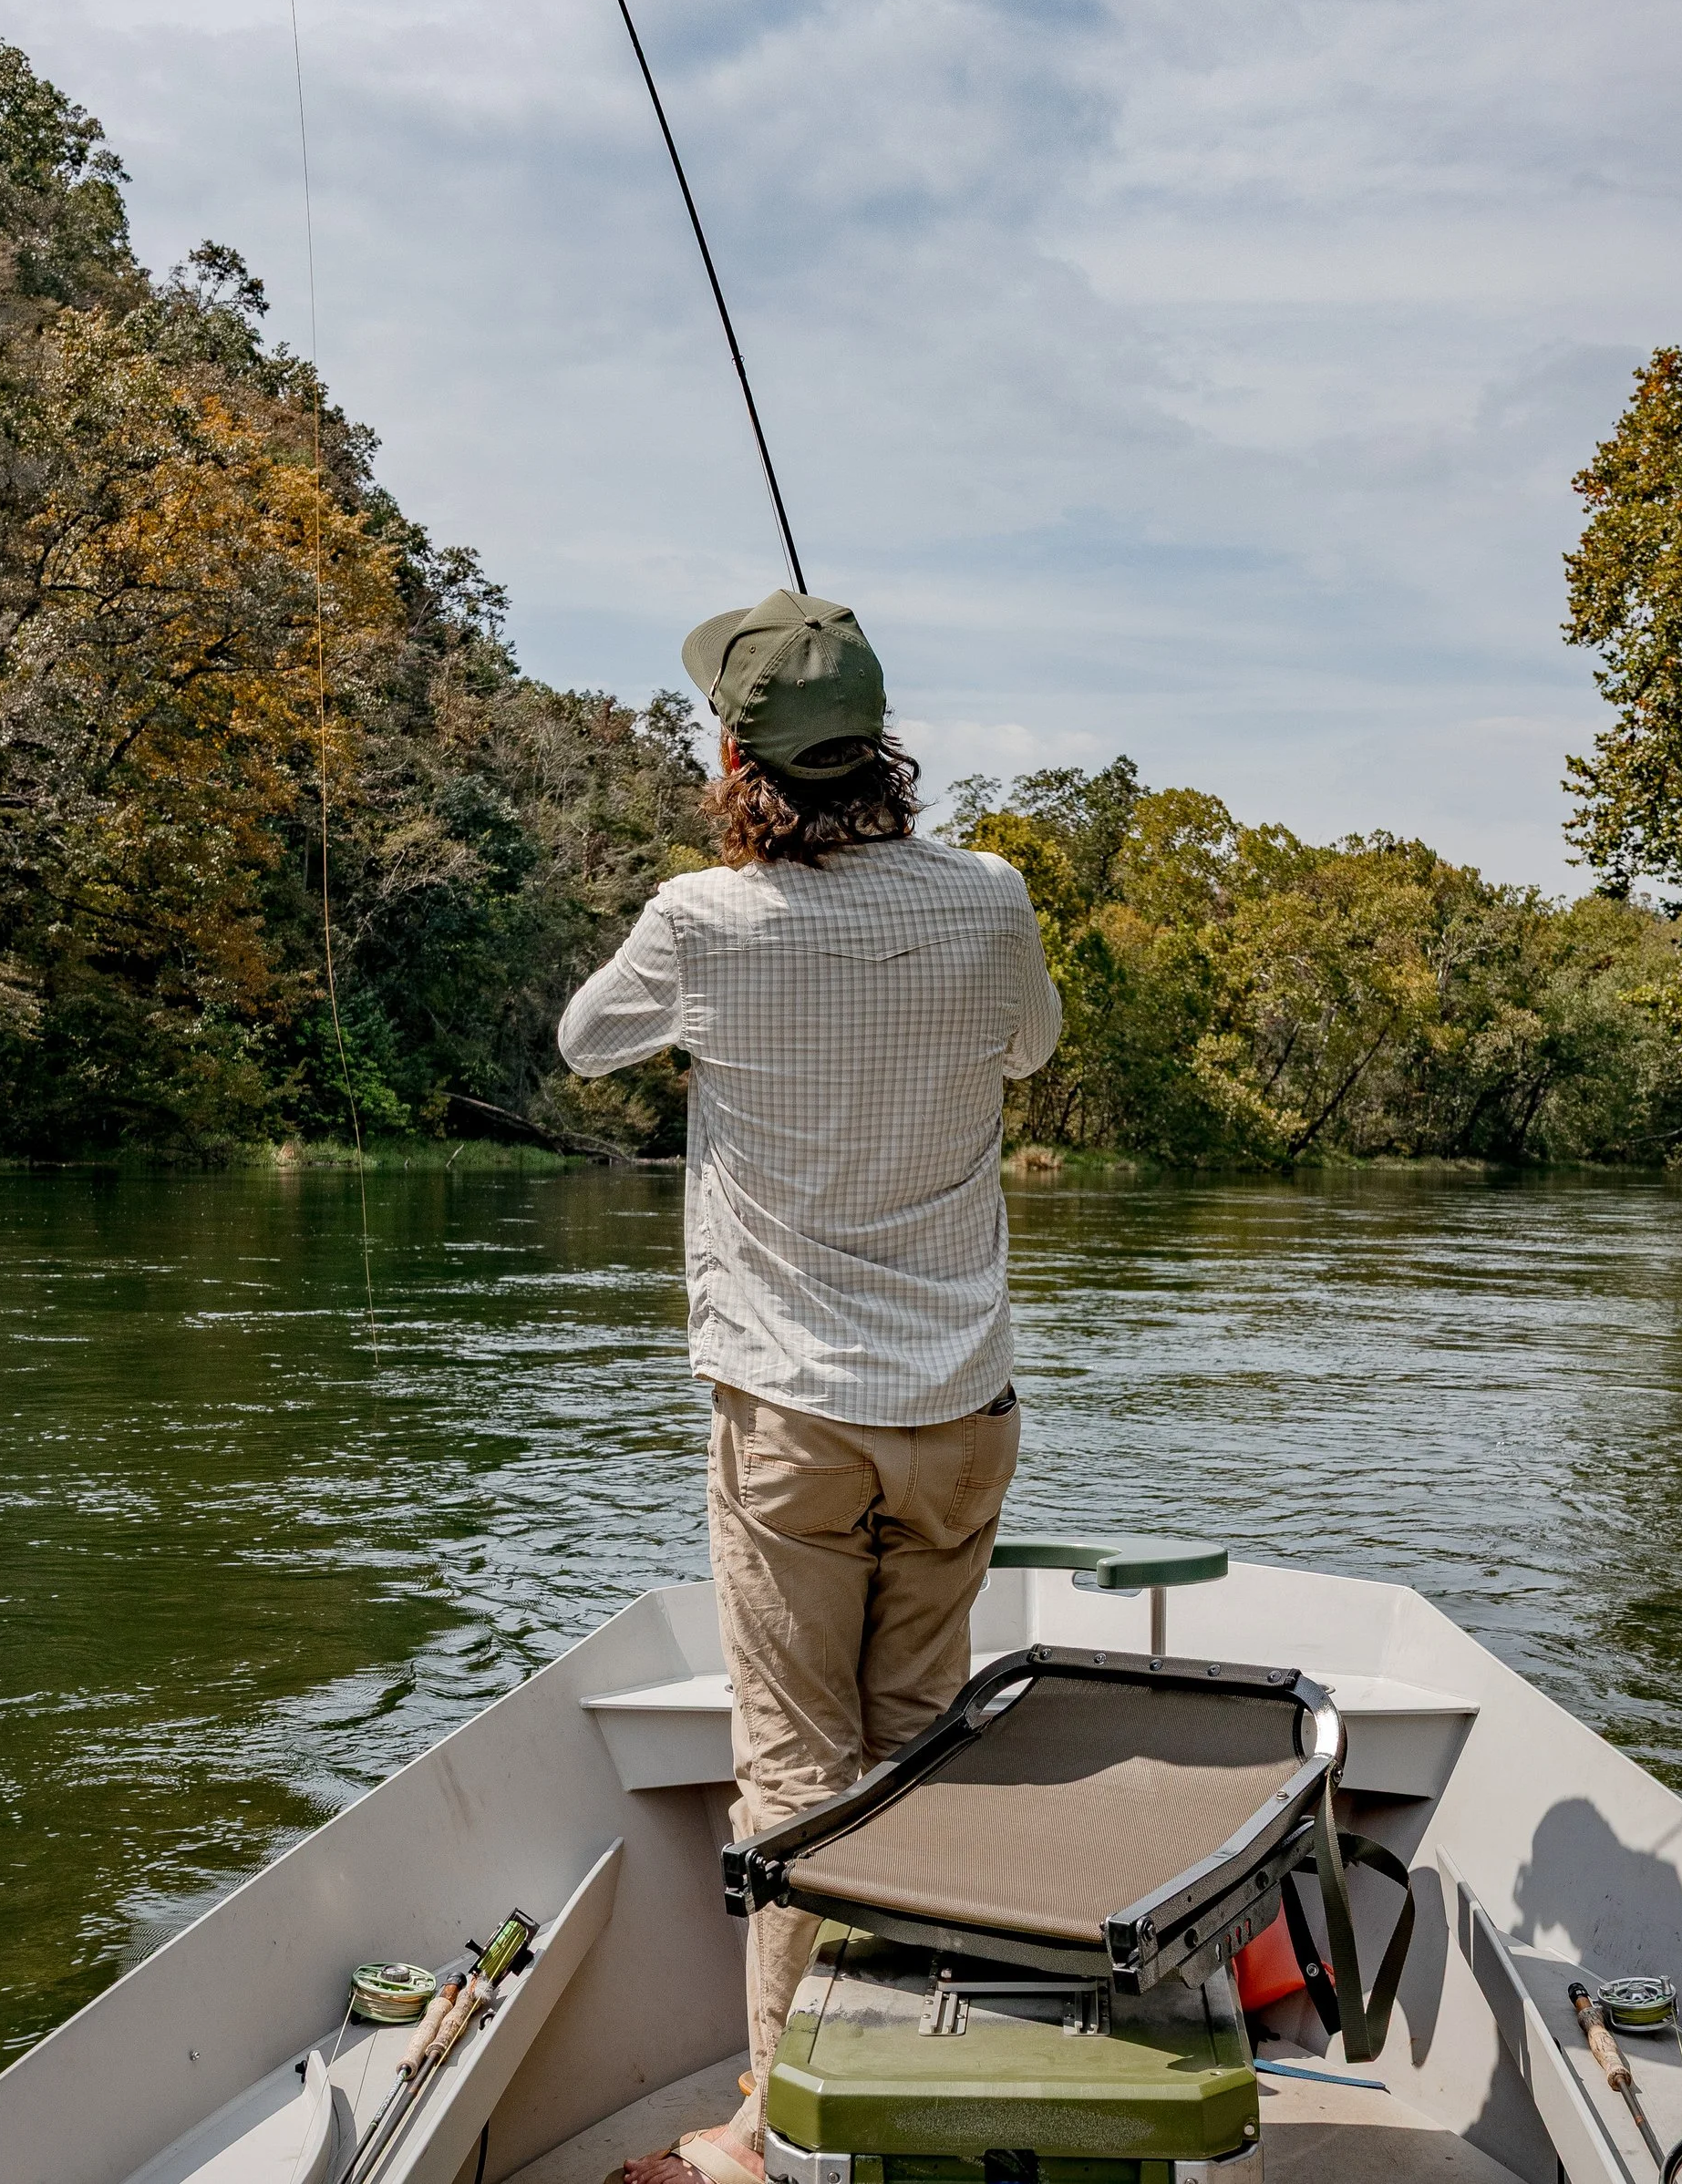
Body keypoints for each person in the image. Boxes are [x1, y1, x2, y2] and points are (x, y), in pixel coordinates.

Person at [558, 589, 1063, 2184]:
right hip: (959, 1412)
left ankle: (771, 2137)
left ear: (732, 753)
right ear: (885, 747)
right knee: (921, 1735)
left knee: (795, 1769)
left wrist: (731, 922)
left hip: (790, 1411)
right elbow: (1032, 1050)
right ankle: (918, 2073)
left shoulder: (704, 920)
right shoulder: (991, 899)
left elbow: (585, 1043)